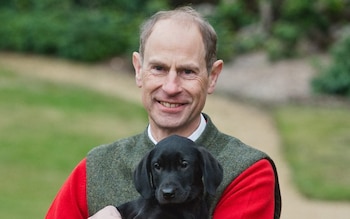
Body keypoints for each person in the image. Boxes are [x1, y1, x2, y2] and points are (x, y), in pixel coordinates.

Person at [45, 6, 281, 219]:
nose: (170, 87)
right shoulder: (94, 168)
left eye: (187, 71)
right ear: (138, 70)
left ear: (212, 77)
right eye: (158, 68)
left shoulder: (248, 172)